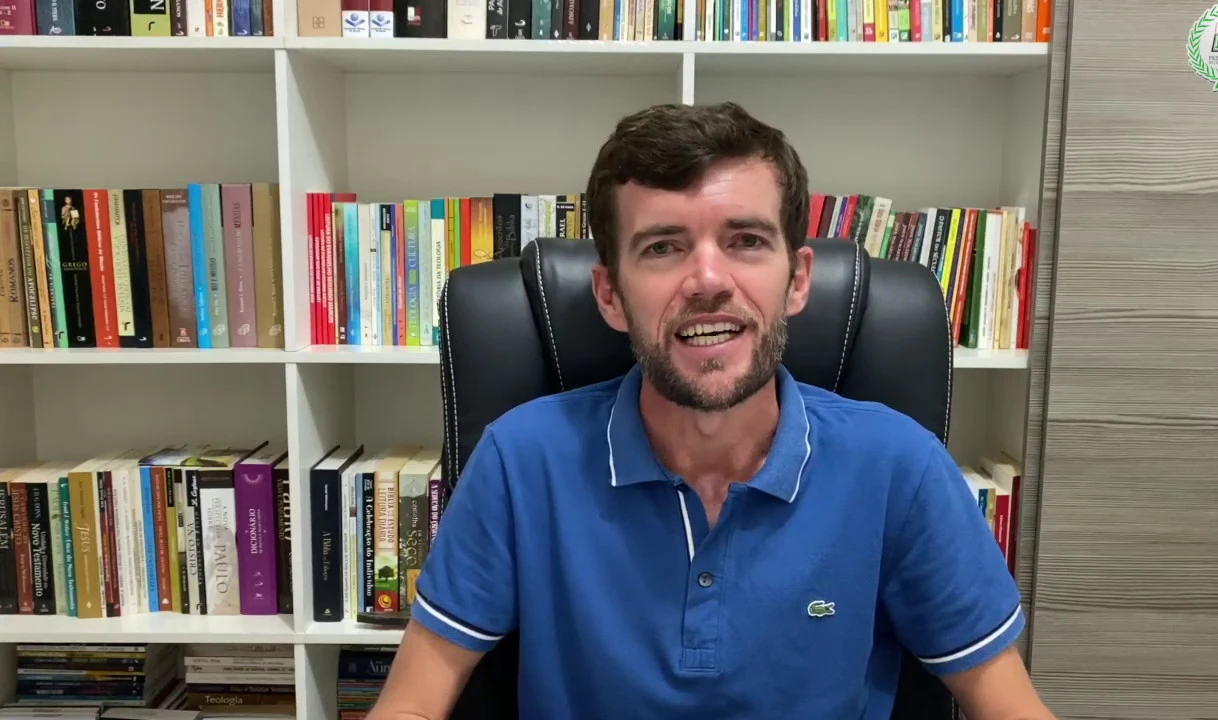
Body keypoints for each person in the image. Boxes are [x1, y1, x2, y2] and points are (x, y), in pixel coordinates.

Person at [369, 101, 1056, 720]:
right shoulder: (520, 459)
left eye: (746, 241)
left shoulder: (901, 466)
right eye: (663, 247)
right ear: (609, 296)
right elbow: (412, 704)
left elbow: (1008, 706)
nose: (706, 280)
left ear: (798, 280)